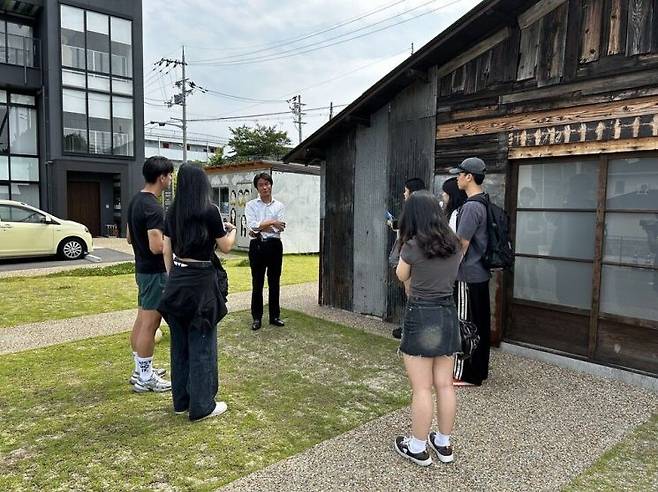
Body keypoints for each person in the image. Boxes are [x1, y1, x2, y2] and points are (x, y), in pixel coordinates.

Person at [158, 164, 237, 421]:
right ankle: (202, 405)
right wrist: (232, 230)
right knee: (202, 343)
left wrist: (173, 276)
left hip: (177, 281)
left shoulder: (172, 210)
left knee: (179, 344)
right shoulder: (210, 210)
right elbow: (225, 246)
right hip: (202, 282)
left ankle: (181, 401)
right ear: (203, 184)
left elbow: (166, 249)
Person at [393, 190, 462, 466]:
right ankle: (444, 444)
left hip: (421, 313)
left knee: (422, 388)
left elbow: (401, 275)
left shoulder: (412, 246)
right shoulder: (454, 244)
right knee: (445, 384)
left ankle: (418, 447)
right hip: (447, 312)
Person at [126, 156, 174, 393]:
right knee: (150, 325)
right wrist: (173, 243)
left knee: (142, 321)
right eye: (169, 175)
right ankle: (145, 377)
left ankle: (140, 370)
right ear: (162, 177)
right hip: (154, 273)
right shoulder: (154, 206)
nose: (171, 179)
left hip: (141, 270)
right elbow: (157, 246)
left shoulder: (136, 200)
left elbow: (129, 238)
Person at [449, 157, 491, 386]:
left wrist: (447, 270)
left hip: (467, 275)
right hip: (480, 274)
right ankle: (478, 371)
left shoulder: (472, 206)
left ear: (469, 177)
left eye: (459, 174)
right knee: (480, 323)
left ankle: (465, 373)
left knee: (465, 324)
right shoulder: (483, 202)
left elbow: (461, 244)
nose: (457, 177)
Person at [245, 172, 286, 331]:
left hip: (275, 245)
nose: (265, 187)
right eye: (261, 184)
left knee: (274, 282)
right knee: (257, 282)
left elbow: (280, 227)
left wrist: (263, 226)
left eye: (267, 184)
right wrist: (272, 222)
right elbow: (252, 226)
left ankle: (274, 316)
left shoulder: (279, 206)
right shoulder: (251, 205)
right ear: (257, 187)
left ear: (271, 185)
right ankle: (256, 318)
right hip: (257, 245)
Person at [389, 177, 426, 340]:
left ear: (412, 192)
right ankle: (410, 327)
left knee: (411, 293)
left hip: (411, 257)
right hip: (416, 257)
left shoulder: (415, 210)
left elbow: (410, 231)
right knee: (411, 293)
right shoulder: (427, 209)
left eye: (406, 190)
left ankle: (411, 329)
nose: (404, 193)